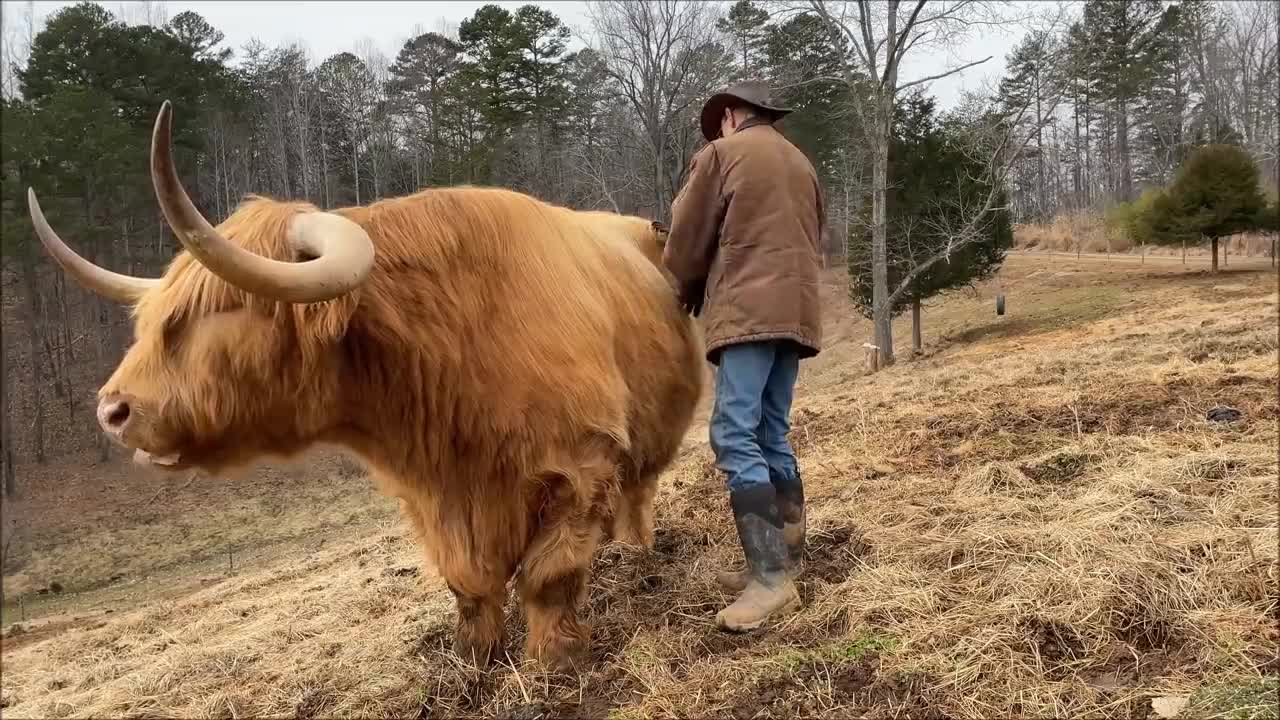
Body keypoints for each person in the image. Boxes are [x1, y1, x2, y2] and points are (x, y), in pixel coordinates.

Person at [662, 80, 825, 632]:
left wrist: (681, 287)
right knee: (771, 429)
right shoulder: (800, 161)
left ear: (730, 115)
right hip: (796, 310)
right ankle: (787, 558)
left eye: (718, 125)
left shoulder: (722, 154)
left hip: (749, 312)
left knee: (734, 433)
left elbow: (687, 236)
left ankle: (771, 581)